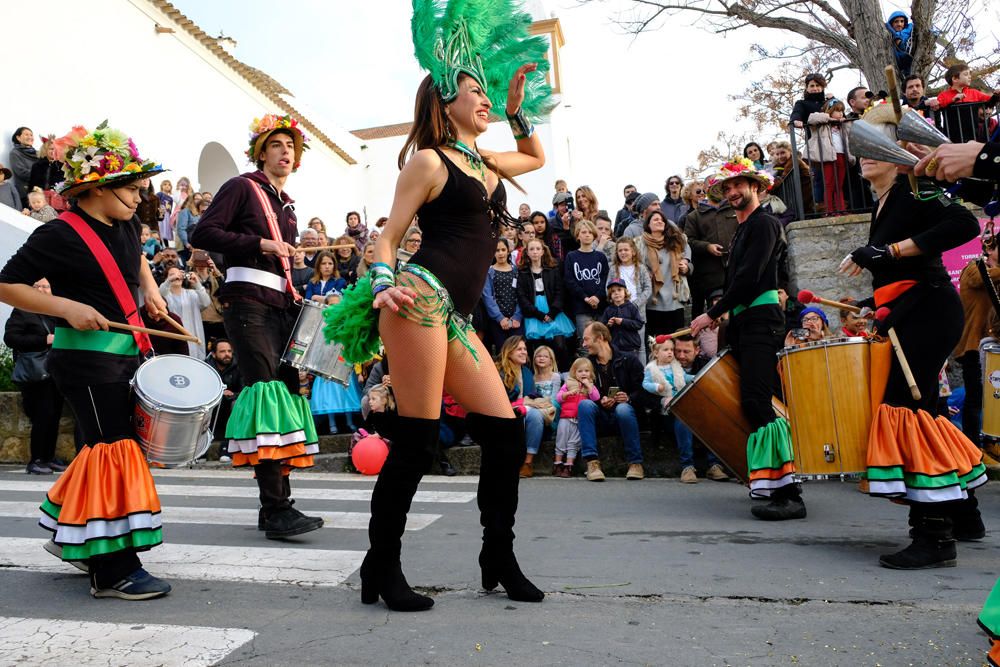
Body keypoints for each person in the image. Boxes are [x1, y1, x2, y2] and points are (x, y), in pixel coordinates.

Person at [322, 1, 551, 610]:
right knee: (419, 440)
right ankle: (383, 566)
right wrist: (380, 284)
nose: (483, 99)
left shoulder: (485, 162)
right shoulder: (429, 160)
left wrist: (513, 109)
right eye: (473, 91)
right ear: (441, 102)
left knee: (504, 435)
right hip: (419, 300)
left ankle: (497, 557)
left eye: (485, 93)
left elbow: (535, 158)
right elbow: (386, 237)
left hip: (455, 314)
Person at [0, 122, 173, 599]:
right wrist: (66, 308)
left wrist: (151, 289)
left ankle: (78, 536)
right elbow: (6, 283)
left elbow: (134, 261)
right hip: (84, 361)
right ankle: (111, 570)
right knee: (109, 449)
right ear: (96, 186)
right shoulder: (59, 234)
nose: (140, 197)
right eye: (131, 188)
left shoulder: (126, 226)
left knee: (111, 450)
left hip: (125, 353)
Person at [837, 139, 985, 569]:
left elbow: (964, 225)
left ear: (897, 162)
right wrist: (871, 306)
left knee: (908, 410)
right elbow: (898, 275)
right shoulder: (882, 205)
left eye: (875, 149)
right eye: (861, 151)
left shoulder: (914, 190)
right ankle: (964, 513)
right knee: (930, 410)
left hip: (931, 310)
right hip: (911, 310)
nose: (865, 156)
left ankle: (934, 535)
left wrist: (891, 250)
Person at [190, 113, 325, 541]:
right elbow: (204, 233)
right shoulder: (242, 187)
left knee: (284, 395)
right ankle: (277, 508)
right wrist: (261, 244)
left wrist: (292, 267)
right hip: (248, 303)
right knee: (266, 395)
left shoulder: (286, 205)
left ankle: (276, 508)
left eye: (292, 147)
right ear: (261, 152)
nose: (286, 152)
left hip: (280, 304)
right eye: (277, 145)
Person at [690, 157, 804, 521]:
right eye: (727, 188)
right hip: (744, 322)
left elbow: (752, 277)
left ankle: (790, 492)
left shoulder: (766, 223)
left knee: (759, 400)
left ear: (756, 187)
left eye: (738, 185)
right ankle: (773, 483)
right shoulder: (742, 231)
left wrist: (712, 312)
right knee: (752, 401)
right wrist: (723, 314)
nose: (732, 192)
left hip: (760, 321)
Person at [4, 278, 66, 475]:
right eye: (37, 286)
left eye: (46, 286)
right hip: (35, 373)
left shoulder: (56, 313)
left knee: (54, 415)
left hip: (55, 371)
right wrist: (44, 339)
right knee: (42, 415)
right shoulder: (22, 311)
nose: (42, 290)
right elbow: (11, 338)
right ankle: (36, 459)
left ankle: (48, 458)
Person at [643, 336, 726, 483]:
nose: (681, 356)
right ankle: (687, 467)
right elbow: (642, 394)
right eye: (677, 351)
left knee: (713, 414)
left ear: (697, 350)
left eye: (686, 351)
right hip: (671, 417)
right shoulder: (656, 367)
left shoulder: (705, 366)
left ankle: (715, 465)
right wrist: (662, 400)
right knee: (684, 419)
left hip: (700, 414)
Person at [578, 322, 645, 482]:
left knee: (623, 408)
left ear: (600, 338)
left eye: (587, 339)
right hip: (599, 417)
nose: (584, 344)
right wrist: (599, 399)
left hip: (625, 416)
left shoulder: (629, 359)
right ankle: (592, 463)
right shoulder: (587, 364)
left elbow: (644, 391)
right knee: (585, 405)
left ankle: (635, 463)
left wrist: (628, 397)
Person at [517, 238, 574, 369]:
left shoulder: (552, 270)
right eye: (532, 249)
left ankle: (563, 373)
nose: (535, 252)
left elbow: (560, 292)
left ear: (543, 251)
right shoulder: (523, 272)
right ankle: (541, 377)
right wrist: (539, 314)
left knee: (560, 345)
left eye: (538, 249)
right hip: (535, 313)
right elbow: (522, 297)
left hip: (552, 311)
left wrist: (552, 312)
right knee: (538, 347)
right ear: (527, 253)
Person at [495, 337, 547, 479]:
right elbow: (498, 399)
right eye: (519, 349)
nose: (524, 352)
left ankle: (527, 463)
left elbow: (531, 395)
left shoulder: (527, 372)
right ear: (509, 352)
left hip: (525, 412)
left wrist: (538, 399)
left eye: (525, 349)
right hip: (505, 412)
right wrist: (523, 401)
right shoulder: (499, 370)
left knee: (536, 415)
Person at [635, 209, 692, 336]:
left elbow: (688, 259)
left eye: (662, 220)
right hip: (653, 302)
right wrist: (643, 272)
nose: (660, 221)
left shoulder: (676, 241)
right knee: (656, 343)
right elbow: (633, 266)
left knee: (676, 341)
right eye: (655, 219)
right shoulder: (638, 244)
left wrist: (687, 265)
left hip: (675, 300)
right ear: (648, 225)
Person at [683, 187, 737, 318]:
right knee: (716, 318)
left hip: (737, 272)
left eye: (721, 186)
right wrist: (707, 247)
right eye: (714, 186)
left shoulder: (735, 208)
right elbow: (688, 241)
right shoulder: (693, 216)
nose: (718, 189)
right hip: (711, 277)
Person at [563, 219, 610, 344]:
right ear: (578, 235)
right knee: (585, 343)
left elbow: (605, 279)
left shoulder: (601, 257)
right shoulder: (571, 256)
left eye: (590, 232)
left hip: (600, 306)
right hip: (581, 307)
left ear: (594, 235)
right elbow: (570, 281)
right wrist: (585, 298)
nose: (587, 235)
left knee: (602, 341)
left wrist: (598, 297)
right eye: (583, 232)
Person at [554, 358, 599, 478]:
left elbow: (596, 398)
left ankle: (569, 465)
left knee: (574, 443)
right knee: (561, 440)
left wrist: (589, 387)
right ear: (574, 372)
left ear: (591, 373)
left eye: (586, 371)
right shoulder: (568, 383)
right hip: (565, 417)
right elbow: (558, 398)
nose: (583, 374)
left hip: (578, 420)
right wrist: (566, 394)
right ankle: (558, 463)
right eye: (580, 371)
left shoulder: (590, 385)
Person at [482, 238, 523, 353]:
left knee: (517, 350)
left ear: (508, 251)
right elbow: (487, 297)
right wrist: (500, 318)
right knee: (503, 351)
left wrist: (517, 316)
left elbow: (521, 294)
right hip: (497, 320)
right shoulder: (489, 272)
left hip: (516, 319)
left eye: (503, 250)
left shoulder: (516, 270)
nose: (500, 253)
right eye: (497, 250)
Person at [159, 266, 210, 358]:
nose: (176, 277)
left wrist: (197, 284)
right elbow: (161, 293)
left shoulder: (191, 293)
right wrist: (170, 280)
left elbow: (206, 303)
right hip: (172, 334)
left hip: (191, 333)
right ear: (166, 278)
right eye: (171, 274)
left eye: (179, 274)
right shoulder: (165, 294)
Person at [206, 339, 243, 456]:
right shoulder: (207, 367)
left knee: (238, 404)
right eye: (222, 351)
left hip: (230, 403)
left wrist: (232, 394)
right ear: (213, 354)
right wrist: (219, 393)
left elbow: (244, 391)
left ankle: (233, 447)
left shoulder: (239, 367)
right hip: (212, 404)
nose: (227, 354)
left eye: (229, 351)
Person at [600, 279, 643, 357]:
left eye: (619, 290)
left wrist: (623, 322)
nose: (616, 293)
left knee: (631, 367)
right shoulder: (608, 310)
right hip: (614, 348)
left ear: (625, 292)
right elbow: (602, 329)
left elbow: (639, 324)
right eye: (613, 291)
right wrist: (608, 325)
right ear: (610, 295)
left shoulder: (631, 307)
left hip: (631, 347)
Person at [9, 127, 38, 201]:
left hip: (41, 192)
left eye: (31, 135)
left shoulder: (38, 153)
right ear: (18, 137)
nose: (30, 137)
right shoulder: (15, 153)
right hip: (27, 193)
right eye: (26, 135)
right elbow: (21, 172)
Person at [884, 11, 914, 76]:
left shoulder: (910, 28)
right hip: (900, 59)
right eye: (896, 21)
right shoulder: (889, 33)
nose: (899, 24)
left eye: (902, 21)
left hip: (910, 53)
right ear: (892, 23)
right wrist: (896, 38)